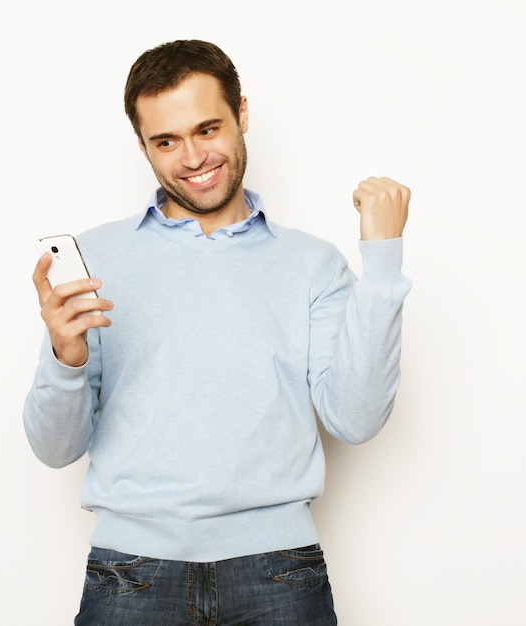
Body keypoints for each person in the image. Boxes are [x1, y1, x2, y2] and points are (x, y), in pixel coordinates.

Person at [23, 39, 411, 625]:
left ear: (242, 115)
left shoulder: (311, 264)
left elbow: (354, 420)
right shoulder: (96, 258)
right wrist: (65, 357)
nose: (193, 157)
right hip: (130, 572)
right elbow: (55, 450)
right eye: (166, 140)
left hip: (279, 570)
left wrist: (380, 262)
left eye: (208, 129)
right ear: (143, 146)